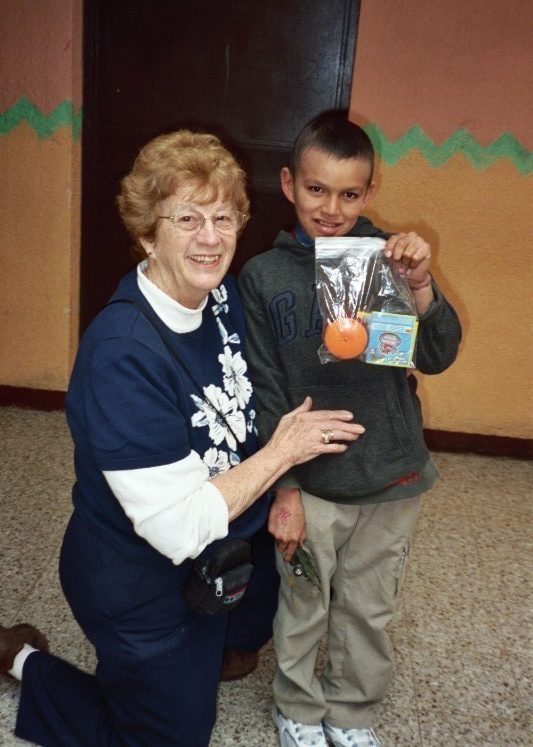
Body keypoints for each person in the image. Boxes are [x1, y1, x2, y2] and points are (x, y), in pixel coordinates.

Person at [0, 129, 366, 747]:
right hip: (143, 577)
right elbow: (177, 529)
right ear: (147, 232)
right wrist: (283, 454)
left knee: (278, 580)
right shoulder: (122, 355)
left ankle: (204, 652)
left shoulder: (218, 296)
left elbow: (331, 247)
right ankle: (23, 662)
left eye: (223, 217)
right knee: (172, 738)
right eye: (187, 218)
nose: (211, 237)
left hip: (222, 556)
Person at [238, 111, 462, 747]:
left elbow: (437, 355)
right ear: (288, 183)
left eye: (349, 193)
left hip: (394, 474)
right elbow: (265, 389)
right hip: (311, 481)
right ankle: (298, 710)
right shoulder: (262, 277)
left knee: (369, 608)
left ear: (369, 193)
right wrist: (284, 488)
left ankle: (352, 712)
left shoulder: (389, 260)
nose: (331, 208)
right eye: (316, 189)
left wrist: (419, 286)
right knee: (305, 602)